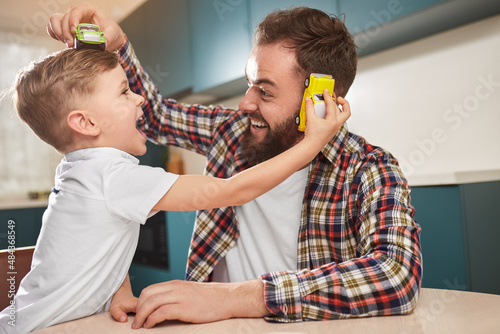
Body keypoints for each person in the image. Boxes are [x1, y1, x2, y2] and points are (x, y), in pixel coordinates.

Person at [46, 3, 422, 329]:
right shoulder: (232, 132)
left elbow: (397, 277)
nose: (245, 103)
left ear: (320, 99)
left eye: (265, 90)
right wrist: (117, 46)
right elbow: (155, 117)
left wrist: (231, 298)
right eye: (248, 84)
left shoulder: (367, 168)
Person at [0, 46, 348, 333]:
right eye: (124, 92)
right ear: (86, 123)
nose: (139, 100)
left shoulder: (81, 169)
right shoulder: (114, 175)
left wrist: (119, 289)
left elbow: (97, 243)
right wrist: (312, 144)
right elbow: (230, 191)